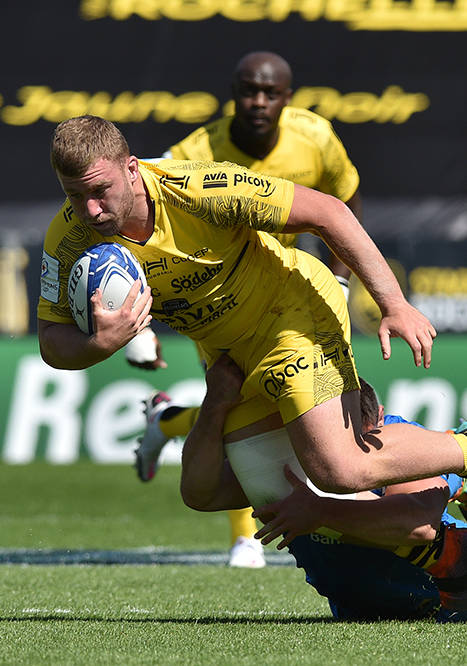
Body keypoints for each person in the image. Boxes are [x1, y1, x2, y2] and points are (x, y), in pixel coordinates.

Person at [37, 116, 467, 536]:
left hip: (292, 313)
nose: (89, 208)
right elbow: (52, 345)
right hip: (233, 356)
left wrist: (393, 302)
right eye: (73, 194)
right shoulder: (66, 240)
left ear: (132, 168)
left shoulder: (201, 190)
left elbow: (330, 212)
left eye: (100, 190)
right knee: (207, 492)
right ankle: (454, 476)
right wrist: (100, 343)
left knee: (337, 471)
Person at [129, 51, 365, 568]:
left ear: (287, 97)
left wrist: (343, 279)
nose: (258, 102)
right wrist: (134, 329)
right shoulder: (195, 151)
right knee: (234, 405)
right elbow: (141, 224)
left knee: (298, 414)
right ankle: (244, 538)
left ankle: (167, 421)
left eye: (270, 92)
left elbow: (344, 199)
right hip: (218, 302)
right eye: (247, 90)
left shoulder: (316, 138)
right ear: (232, 92)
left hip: (294, 295)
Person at [182, 354, 467, 621]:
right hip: (364, 601)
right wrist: (215, 403)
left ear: (378, 425)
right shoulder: (291, 452)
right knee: (407, 477)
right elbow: (202, 493)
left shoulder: (396, 436)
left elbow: (418, 525)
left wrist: (319, 512)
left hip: (444, 581)